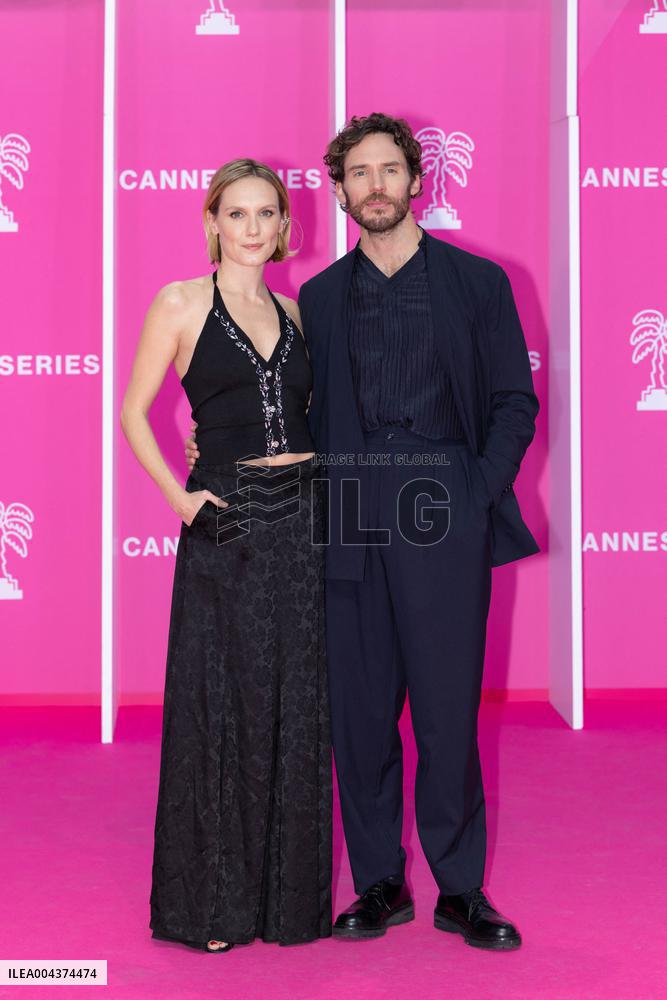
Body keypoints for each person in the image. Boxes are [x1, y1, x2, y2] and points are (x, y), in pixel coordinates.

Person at [186, 114, 539, 951]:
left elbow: (512, 403)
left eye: (389, 169)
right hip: (342, 510)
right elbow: (286, 402)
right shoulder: (319, 297)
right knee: (360, 710)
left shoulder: (479, 284)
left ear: (417, 180)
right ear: (340, 191)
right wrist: (216, 440)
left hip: (442, 505)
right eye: (358, 174)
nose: (375, 185)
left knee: (449, 711)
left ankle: (460, 889)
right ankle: (379, 881)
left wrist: (474, 488)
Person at [120, 159, 332, 953]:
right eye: (236, 213)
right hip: (228, 523)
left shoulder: (296, 309)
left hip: (305, 517)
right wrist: (179, 496)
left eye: (265, 214)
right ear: (212, 221)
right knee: (223, 707)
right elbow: (133, 413)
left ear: (283, 226)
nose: (251, 228)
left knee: (297, 702)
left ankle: (289, 906)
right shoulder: (177, 303)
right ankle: (212, 906)